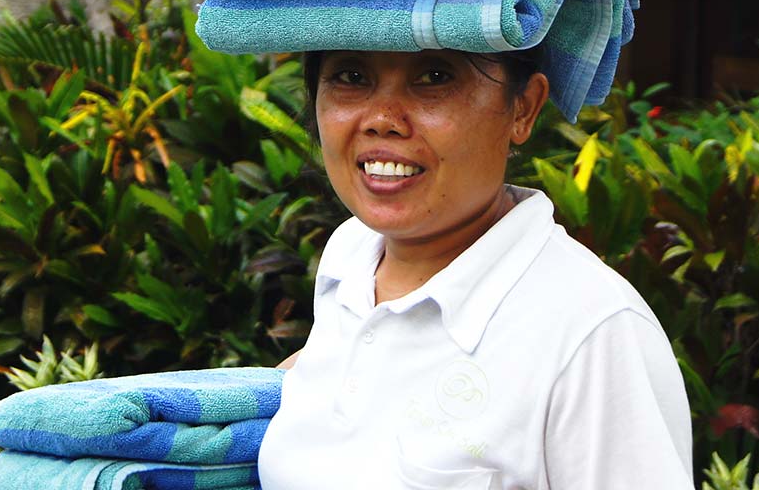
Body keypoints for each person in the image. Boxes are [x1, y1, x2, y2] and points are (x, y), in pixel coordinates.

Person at [256, 48, 693, 490]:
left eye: (434, 76)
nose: (382, 118)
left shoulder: (593, 335)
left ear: (523, 108)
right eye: (350, 75)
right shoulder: (350, 255)